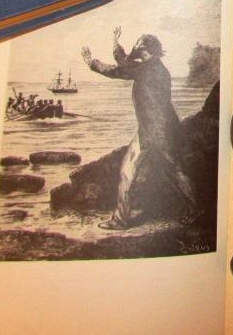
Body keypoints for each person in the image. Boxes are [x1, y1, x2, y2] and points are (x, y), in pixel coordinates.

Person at [82, 27, 198, 229]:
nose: (134, 46)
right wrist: (115, 42)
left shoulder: (146, 69)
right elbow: (126, 63)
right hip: (161, 128)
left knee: (133, 170)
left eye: (137, 43)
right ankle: (195, 210)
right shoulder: (157, 67)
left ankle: (121, 220)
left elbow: (119, 70)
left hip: (153, 131)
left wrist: (92, 63)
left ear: (144, 48)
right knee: (172, 170)